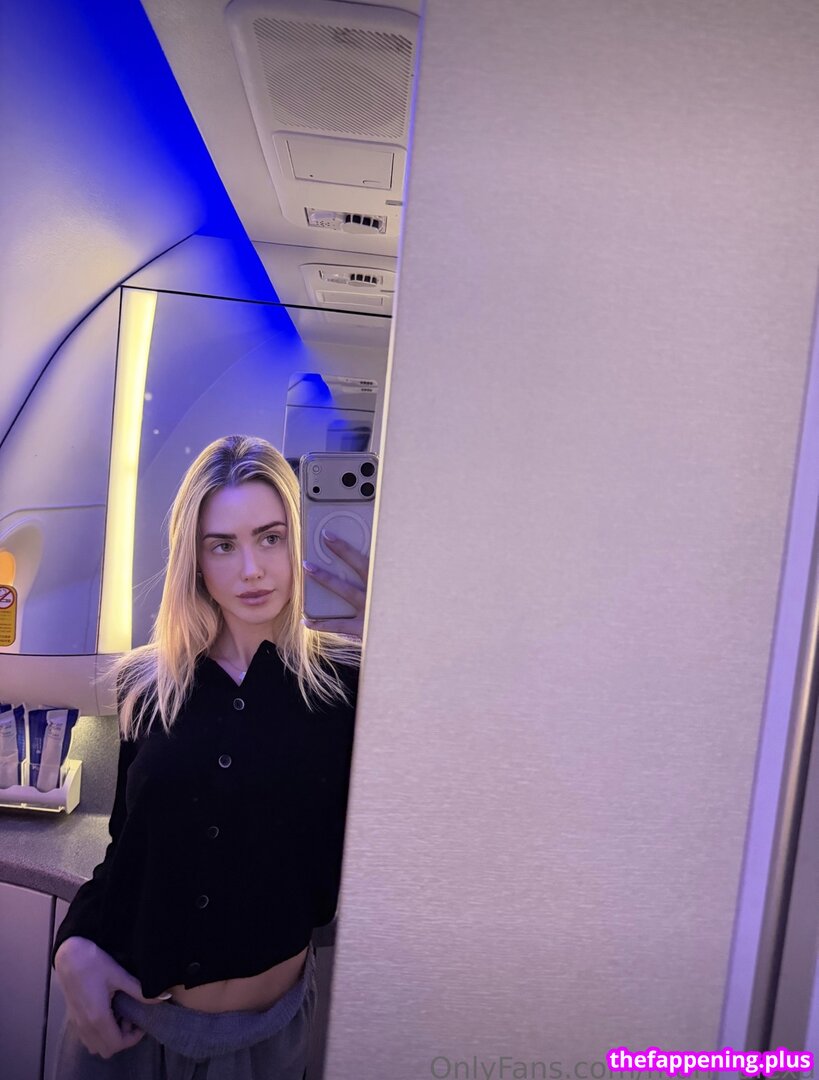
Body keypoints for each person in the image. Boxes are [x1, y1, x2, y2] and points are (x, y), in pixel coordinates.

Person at [52, 434, 368, 1079]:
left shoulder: (352, 685)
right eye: (222, 545)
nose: (251, 568)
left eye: (271, 537)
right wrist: (73, 945)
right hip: (127, 1026)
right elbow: (126, 850)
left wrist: (410, 642)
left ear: (297, 540)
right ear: (193, 560)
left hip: (263, 1042)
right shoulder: (148, 683)